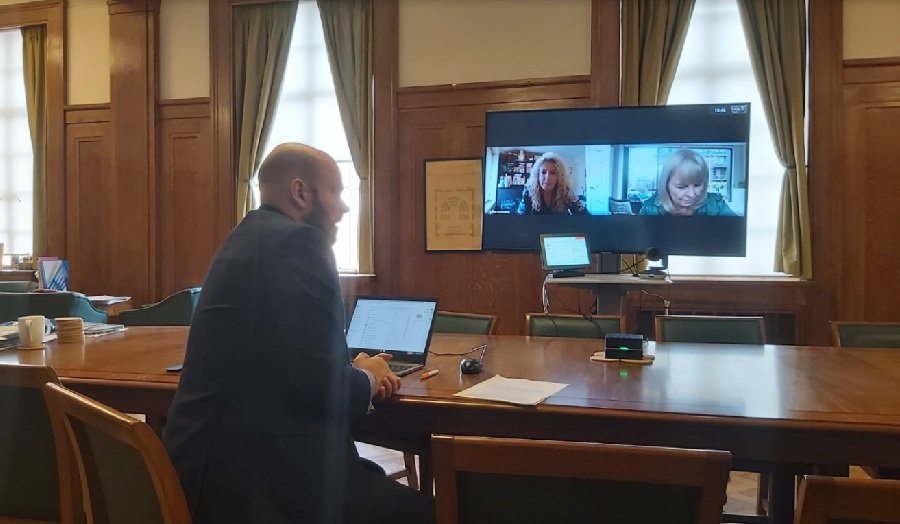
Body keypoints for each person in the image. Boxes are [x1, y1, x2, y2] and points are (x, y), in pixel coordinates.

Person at [163, 143, 433, 524]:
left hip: (205, 474)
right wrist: (370, 377)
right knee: (435, 513)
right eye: (337, 193)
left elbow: (283, 356)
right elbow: (320, 387)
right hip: (261, 488)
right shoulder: (301, 243)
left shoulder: (243, 237)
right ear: (301, 192)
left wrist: (350, 368)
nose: (344, 207)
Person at [639, 149, 736, 216]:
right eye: (681, 187)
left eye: (697, 185)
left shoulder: (716, 205)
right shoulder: (650, 208)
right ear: (666, 184)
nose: (691, 194)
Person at [517, 152, 589, 215]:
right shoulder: (529, 191)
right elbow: (521, 219)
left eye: (553, 173)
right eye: (543, 172)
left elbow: (585, 216)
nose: (547, 177)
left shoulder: (566, 191)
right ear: (537, 175)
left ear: (559, 176)